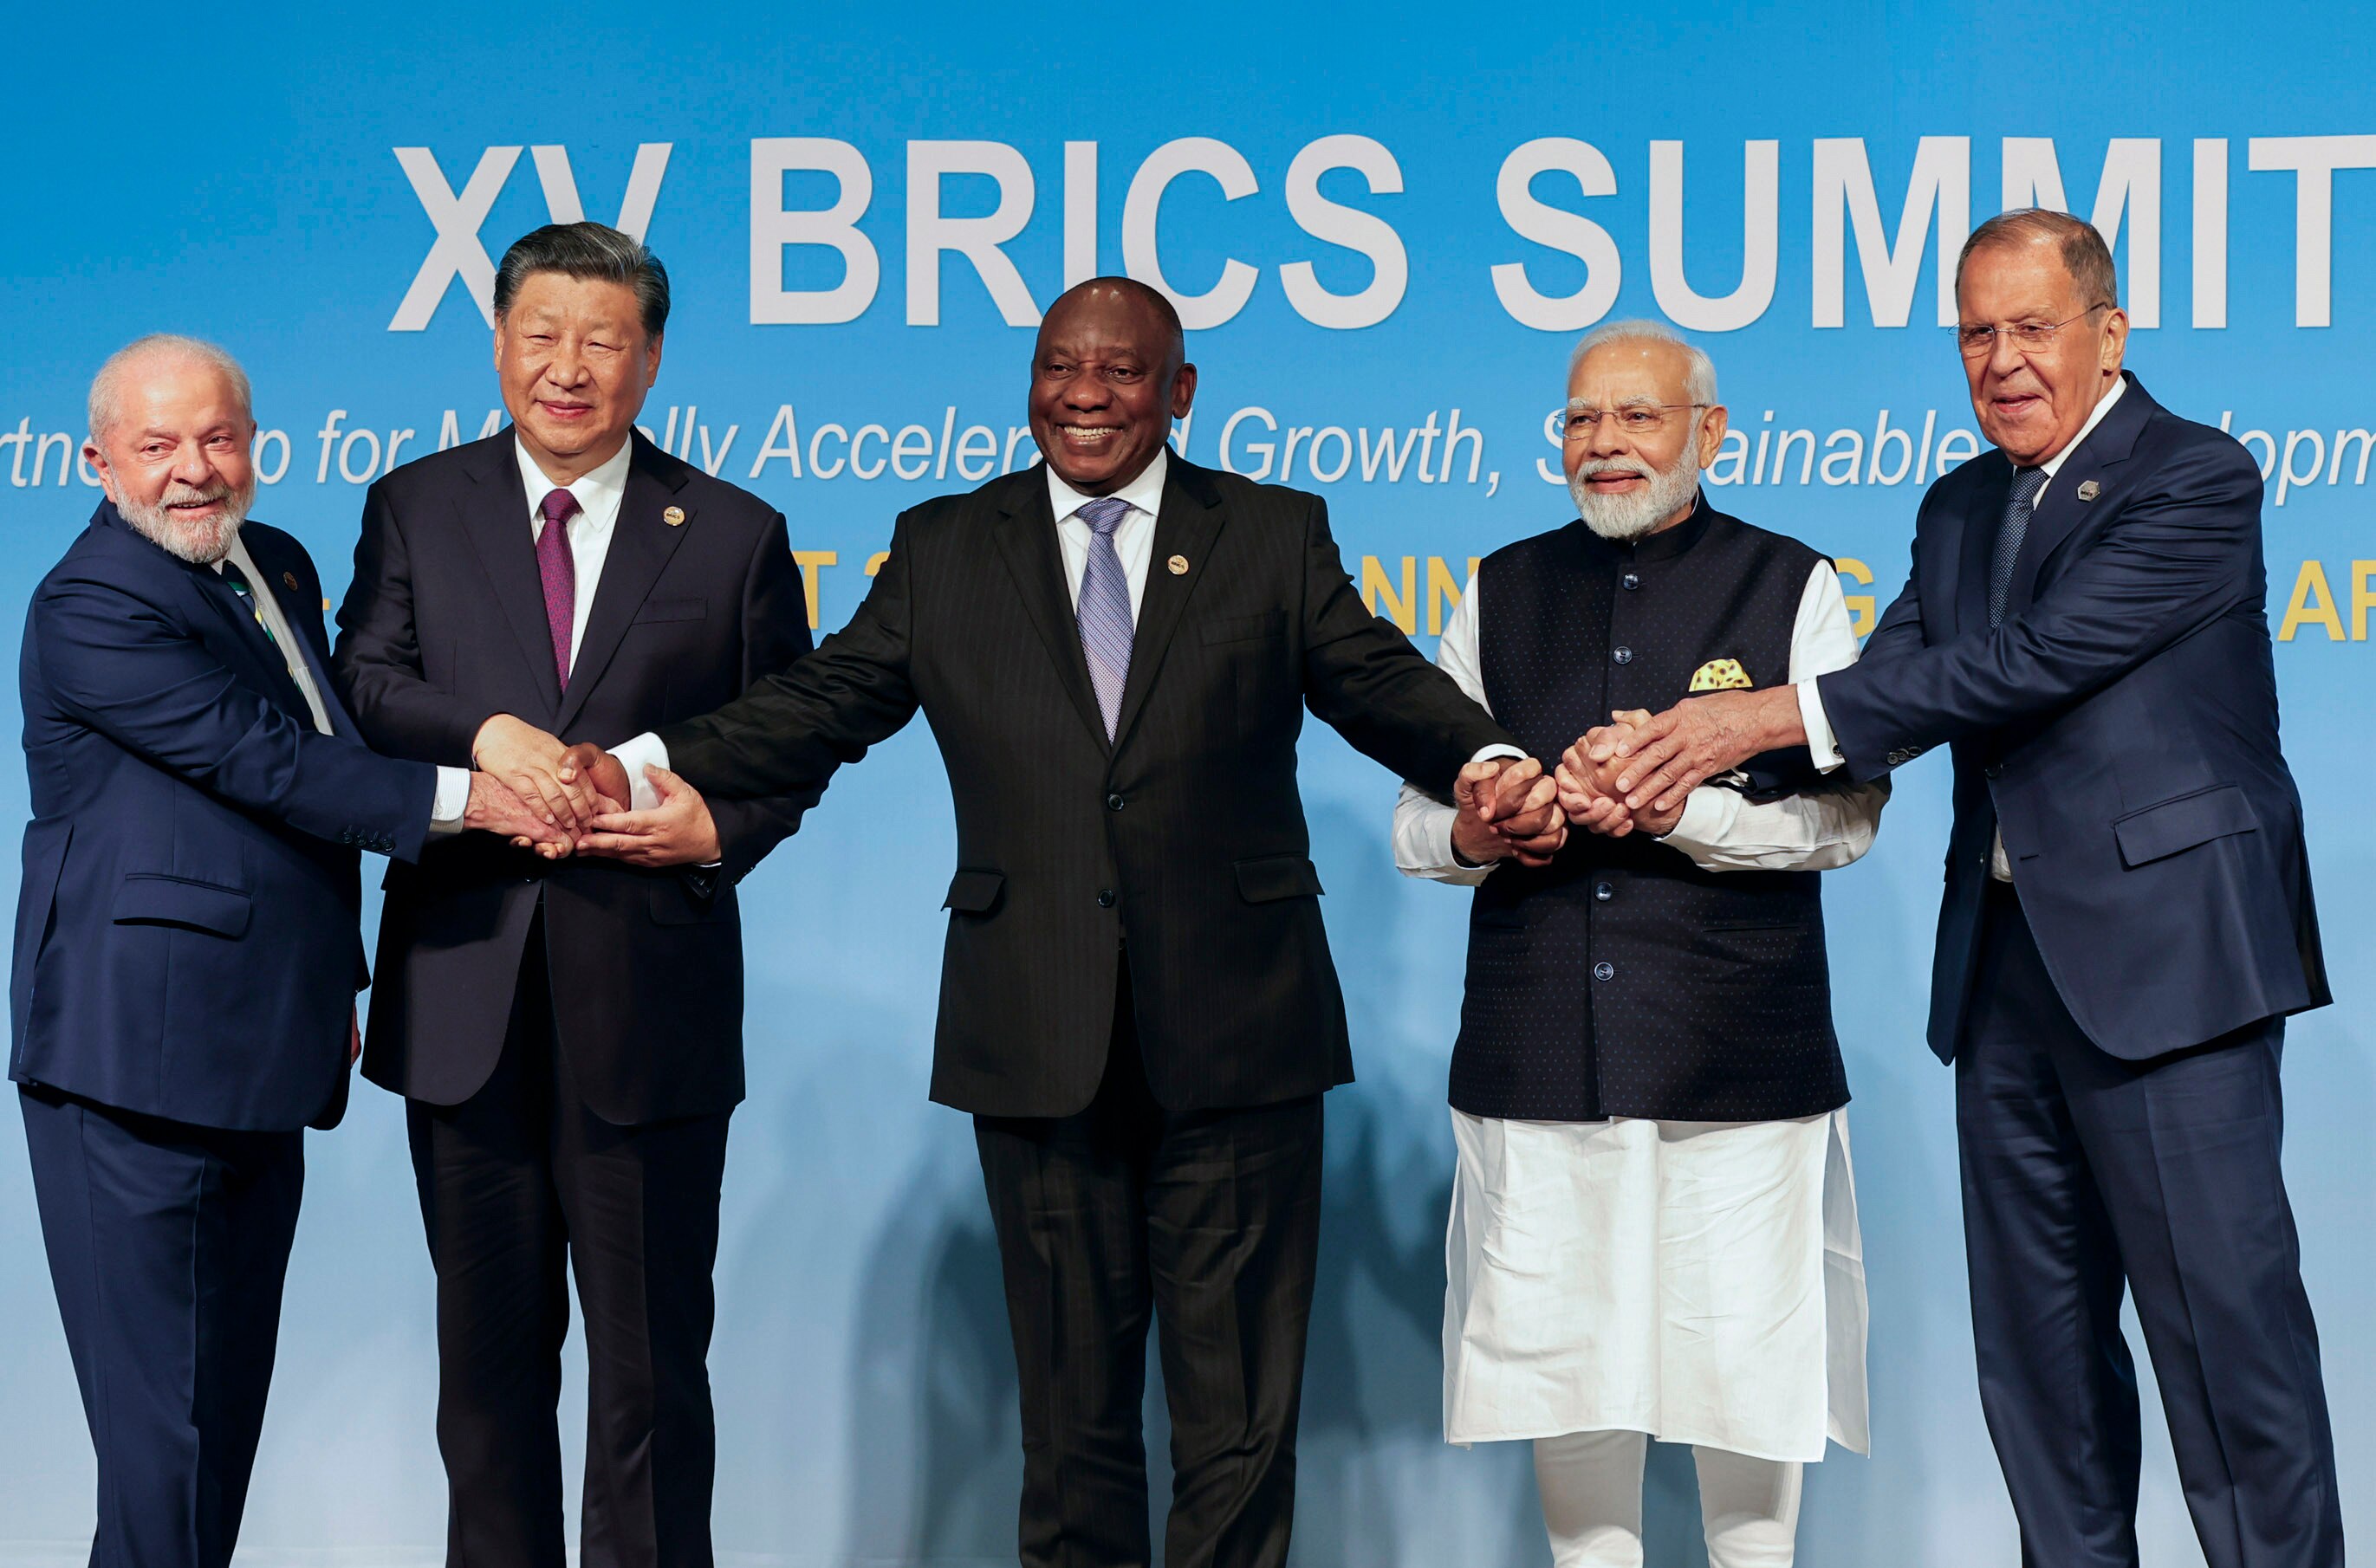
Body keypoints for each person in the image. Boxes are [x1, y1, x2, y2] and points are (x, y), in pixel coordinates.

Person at [565, 276, 1551, 1568]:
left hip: (1241, 1031)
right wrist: (643, 761)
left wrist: (1484, 755)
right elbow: (820, 703)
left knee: (1239, 1426)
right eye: (1058, 367)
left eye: (1122, 371)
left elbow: (1373, 679)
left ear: (1179, 392)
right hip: (1032, 1031)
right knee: (1068, 1423)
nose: (1084, 394)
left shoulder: (1268, 532)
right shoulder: (943, 544)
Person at [1568, 211, 2339, 1568]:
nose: (2002, 362)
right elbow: (1882, 698)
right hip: (2002, 981)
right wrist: (1665, 774)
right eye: (1975, 334)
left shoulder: (2193, 477)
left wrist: (1741, 718)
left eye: (2032, 328)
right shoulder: (1957, 503)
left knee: (2228, 1360)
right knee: (2037, 1371)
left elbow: (2026, 663)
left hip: (2168, 975)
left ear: (2107, 334)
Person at [11, 335, 554, 1568]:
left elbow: (321, 744)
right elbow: (264, 763)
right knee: (166, 1453)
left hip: (264, 1046)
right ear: (97, 461)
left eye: (217, 439)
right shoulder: (92, 600)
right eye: (157, 448)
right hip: (132, 1066)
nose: (193, 471)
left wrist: (329, 976)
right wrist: (484, 795)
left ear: (255, 442)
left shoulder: (281, 565)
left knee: (211, 1438)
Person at [330, 223, 816, 1568]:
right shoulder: (415, 505)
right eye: (541, 334)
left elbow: (789, 733)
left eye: (602, 340)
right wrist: (482, 733)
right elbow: (360, 685)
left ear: (650, 358)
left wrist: (713, 827)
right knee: (485, 1384)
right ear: (497, 343)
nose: (567, 367)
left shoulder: (730, 534)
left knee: (653, 1376)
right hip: (464, 999)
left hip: (646, 1012)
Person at [1398, 321, 1883, 1568]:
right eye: (1580, 419)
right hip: (1540, 1057)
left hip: (1738, 1063)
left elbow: (1846, 820)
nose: (1602, 443)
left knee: (1747, 1378)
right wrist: (1490, 825)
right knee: (1566, 1383)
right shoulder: (1499, 587)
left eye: (1636, 417)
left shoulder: (1790, 583)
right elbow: (1419, 819)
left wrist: (1689, 810)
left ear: (1708, 434)